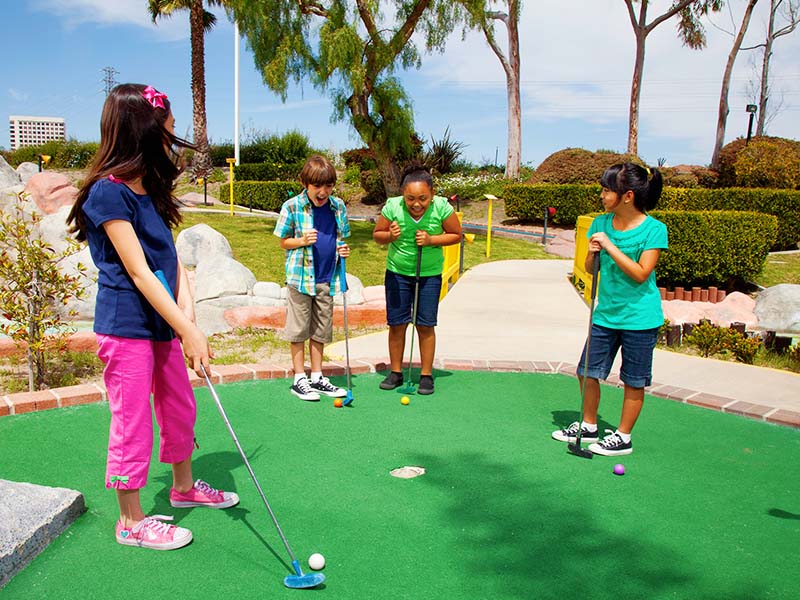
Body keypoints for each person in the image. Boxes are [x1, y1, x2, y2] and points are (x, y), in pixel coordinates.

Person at [67, 83, 239, 551]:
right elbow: (140, 273)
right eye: (168, 128)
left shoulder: (151, 188)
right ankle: (130, 520)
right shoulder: (108, 194)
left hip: (164, 323)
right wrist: (186, 329)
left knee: (181, 407)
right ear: (142, 131)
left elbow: (171, 262)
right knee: (133, 420)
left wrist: (189, 319)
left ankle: (183, 488)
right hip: (126, 327)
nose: (173, 135)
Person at [552, 162, 668, 456]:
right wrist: (593, 253)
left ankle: (623, 436)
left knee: (633, 380)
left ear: (627, 196)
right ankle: (589, 424)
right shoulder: (600, 223)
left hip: (640, 317)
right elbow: (593, 269)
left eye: (607, 190)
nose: (602, 196)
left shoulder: (654, 229)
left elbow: (642, 273)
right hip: (606, 313)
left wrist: (611, 246)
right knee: (586, 371)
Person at [372, 163, 462, 395]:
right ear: (403, 195)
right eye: (410, 198)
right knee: (397, 324)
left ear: (432, 194)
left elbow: (456, 235)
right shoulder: (392, 206)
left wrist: (432, 240)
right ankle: (395, 372)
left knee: (425, 325)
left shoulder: (441, 207)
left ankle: (426, 374)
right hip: (398, 273)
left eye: (422, 198)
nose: (416, 204)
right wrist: (390, 236)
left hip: (428, 275)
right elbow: (377, 236)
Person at [274, 155, 351, 401]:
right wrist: (302, 241)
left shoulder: (337, 207)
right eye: (317, 186)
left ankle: (317, 376)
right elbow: (283, 241)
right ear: (305, 183)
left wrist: (343, 249)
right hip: (301, 279)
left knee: (321, 329)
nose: (323, 191)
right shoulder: (292, 206)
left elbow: (341, 237)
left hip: (327, 279)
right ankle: (299, 378)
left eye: (328, 186)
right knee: (298, 329)